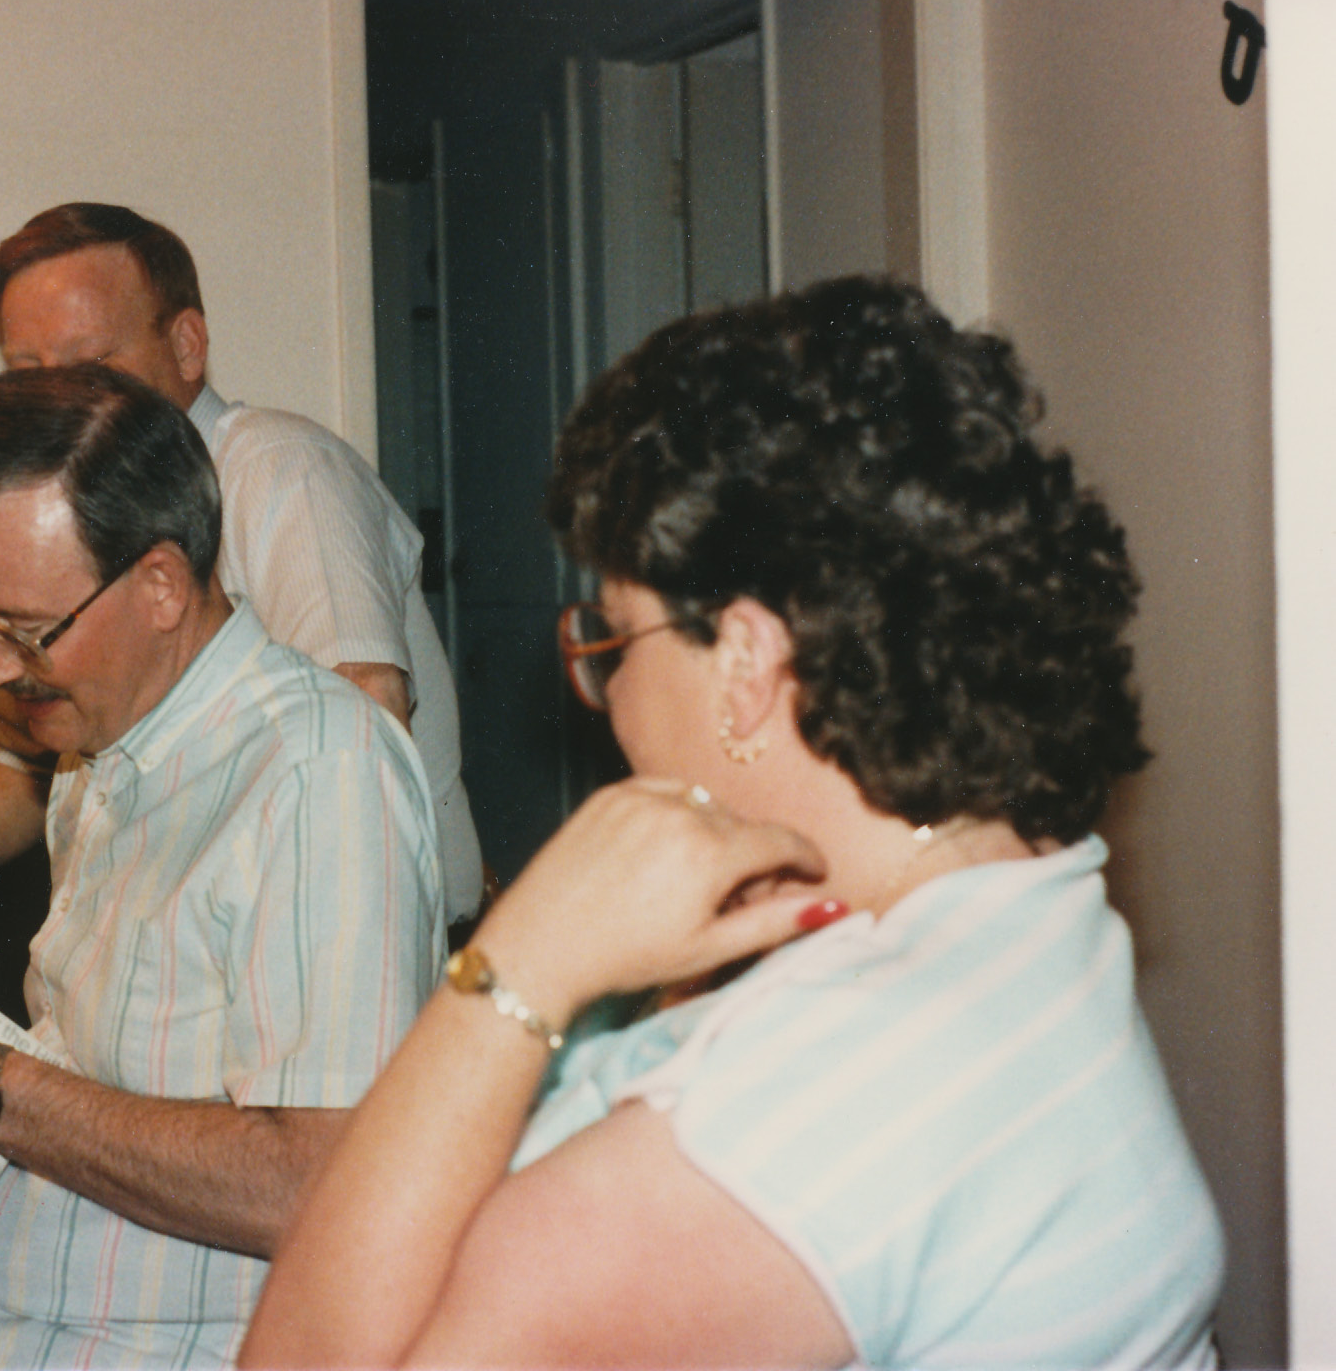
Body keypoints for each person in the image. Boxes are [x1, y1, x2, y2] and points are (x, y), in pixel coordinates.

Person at [239, 276, 1224, 1368]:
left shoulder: (805, 1107)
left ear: (746, 663)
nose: (606, 700)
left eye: (613, 641)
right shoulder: (1031, 899)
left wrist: (515, 966)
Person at [0, 364, 445, 1369]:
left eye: (21, 630)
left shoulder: (319, 768)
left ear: (160, 583)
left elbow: (323, 1184)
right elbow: (98, 1095)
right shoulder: (103, 745)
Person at [0, 204, 482, 955]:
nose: (54, 397)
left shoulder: (281, 471)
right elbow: (23, 741)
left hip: (344, 946)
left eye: (88, 365)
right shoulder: (81, 506)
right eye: (27, 372)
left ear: (187, 344)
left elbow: (363, 712)